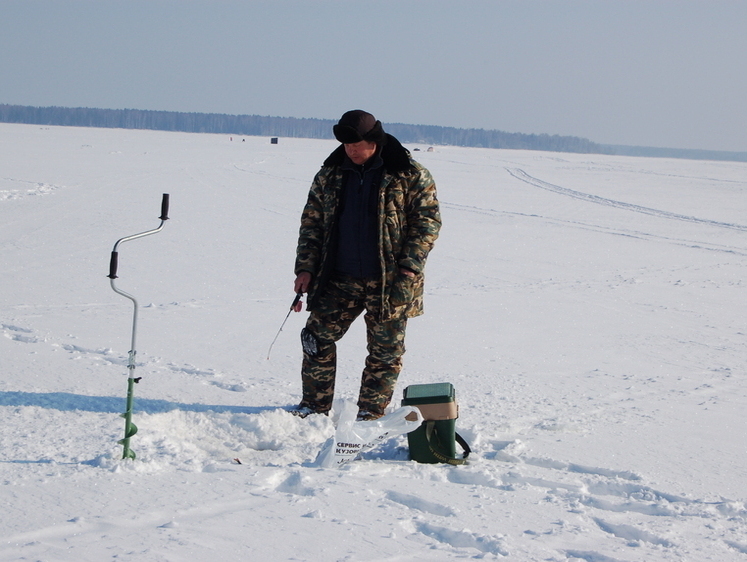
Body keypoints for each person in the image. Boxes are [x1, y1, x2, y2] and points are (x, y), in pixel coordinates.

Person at [290, 110, 441, 420]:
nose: (351, 150)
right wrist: (305, 268)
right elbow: (312, 224)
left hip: (391, 281)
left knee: (385, 354)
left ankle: (370, 414)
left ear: (374, 140)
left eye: (357, 144)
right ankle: (314, 407)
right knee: (315, 339)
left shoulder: (409, 173)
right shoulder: (330, 174)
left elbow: (427, 222)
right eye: (346, 145)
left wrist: (409, 266)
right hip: (338, 277)